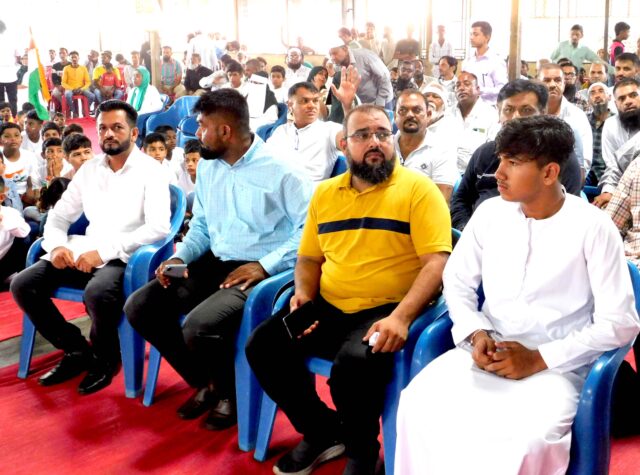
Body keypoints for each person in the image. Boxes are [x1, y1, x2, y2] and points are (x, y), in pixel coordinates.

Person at [395, 114, 640, 475]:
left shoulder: (594, 227)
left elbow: (620, 324)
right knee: (417, 404)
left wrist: (539, 358)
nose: (498, 173)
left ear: (549, 173)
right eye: (501, 160)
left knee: (524, 438)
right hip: (486, 351)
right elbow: (457, 281)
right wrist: (476, 333)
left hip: (559, 368)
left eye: (512, 162)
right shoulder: (490, 214)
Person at [246, 103, 451, 475]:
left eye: (382, 134)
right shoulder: (325, 194)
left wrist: (401, 317)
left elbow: (437, 262)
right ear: (344, 144)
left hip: (388, 309)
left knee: (353, 366)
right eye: (363, 135)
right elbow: (308, 259)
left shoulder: (418, 190)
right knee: (263, 346)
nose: (375, 142)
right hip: (329, 304)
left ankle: (362, 452)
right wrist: (303, 295)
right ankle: (322, 431)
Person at [124, 89, 312, 431]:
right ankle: (208, 382)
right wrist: (180, 256)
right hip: (216, 260)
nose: (197, 133)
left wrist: (265, 265)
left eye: (202, 126)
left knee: (200, 326)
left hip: (262, 272)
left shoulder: (283, 171)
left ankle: (230, 394)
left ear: (225, 131)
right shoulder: (210, 167)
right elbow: (202, 226)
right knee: (141, 306)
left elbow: (310, 232)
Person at [10, 100, 171, 395]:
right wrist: (57, 246)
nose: (108, 134)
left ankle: (106, 357)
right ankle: (76, 349)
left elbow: (158, 228)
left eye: (117, 127)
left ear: (134, 133)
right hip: (85, 249)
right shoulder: (90, 169)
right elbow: (59, 216)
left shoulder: (152, 171)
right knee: (23, 284)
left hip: (125, 256)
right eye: (103, 128)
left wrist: (105, 253)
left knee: (97, 293)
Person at [450, 79, 583, 231]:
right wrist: (467, 229)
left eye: (526, 110)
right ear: (499, 113)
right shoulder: (484, 153)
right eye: (508, 110)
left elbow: (565, 211)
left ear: (543, 113)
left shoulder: (558, 156)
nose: (516, 117)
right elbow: (461, 199)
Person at [267, 73, 357, 183]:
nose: (312, 106)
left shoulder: (329, 129)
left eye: (315, 101)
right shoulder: (281, 131)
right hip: (278, 187)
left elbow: (352, 142)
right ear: (290, 105)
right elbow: (266, 160)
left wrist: (347, 106)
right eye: (304, 101)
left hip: (311, 191)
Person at [394, 90, 458, 203]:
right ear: (395, 116)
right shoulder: (384, 146)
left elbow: (441, 201)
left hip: (422, 211)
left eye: (417, 110)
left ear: (428, 115)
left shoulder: (442, 150)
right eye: (403, 110)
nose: (409, 115)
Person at [538, 63, 593, 176]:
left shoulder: (577, 116)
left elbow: (585, 161)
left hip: (568, 178)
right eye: (546, 80)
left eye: (557, 80)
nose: (552, 85)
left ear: (564, 83)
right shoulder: (531, 114)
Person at [594, 78, 640, 208]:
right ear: (615, 103)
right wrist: (608, 191)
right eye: (622, 98)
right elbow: (613, 165)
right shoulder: (611, 124)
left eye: (633, 95)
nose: (628, 101)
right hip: (623, 187)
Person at [451, 71, 498, 174]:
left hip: (478, 174)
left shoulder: (491, 114)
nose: (461, 88)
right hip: (448, 173)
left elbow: (493, 149)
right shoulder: (448, 113)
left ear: (478, 89)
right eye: (457, 85)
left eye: (467, 84)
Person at [462, 21, 508, 104]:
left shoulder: (496, 61)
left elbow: (503, 89)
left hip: (489, 106)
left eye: (475, 34)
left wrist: (480, 90)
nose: (471, 37)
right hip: (469, 106)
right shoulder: (467, 61)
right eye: (471, 34)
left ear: (487, 37)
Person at [0, 122, 41, 206]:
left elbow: (33, 179)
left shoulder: (30, 156)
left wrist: (30, 189)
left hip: (25, 197)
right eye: (7, 136)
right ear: (0, 140)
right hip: (5, 197)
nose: (13, 139)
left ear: (21, 138)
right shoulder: (0, 158)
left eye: (16, 135)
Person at [0, 178, 30, 283]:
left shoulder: (10, 213)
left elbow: (24, 231)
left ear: (1, 198)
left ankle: (9, 274)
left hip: (4, 261)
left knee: (25, 237)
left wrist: (3, 220)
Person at [585, 82, 614, 186]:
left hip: (611, 172)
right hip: (587, 171)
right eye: (592, 93)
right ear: (589, 101)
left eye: (601, 91)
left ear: (609, 97)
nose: (597, 95)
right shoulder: (583, 120)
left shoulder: (617, 121)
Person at [62, 51, 95, 118]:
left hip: (81, 88)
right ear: (69, 59)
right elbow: (63, 83)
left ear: (78, 58)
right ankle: (74, 112)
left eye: (75, 57)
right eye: (72, 57)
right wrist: (72, 89)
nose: (74, 59)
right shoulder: (66, 68)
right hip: (70, 88)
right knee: (68, 95)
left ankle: (84, 110)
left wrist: (82, 89)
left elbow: (88, 82)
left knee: (92, 96)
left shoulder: (83, 68)